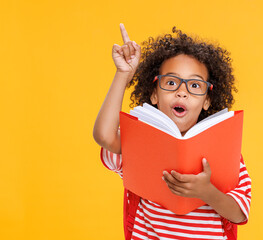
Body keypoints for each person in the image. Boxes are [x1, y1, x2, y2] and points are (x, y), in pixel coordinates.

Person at [93, 23, 251, 240]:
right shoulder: (138, 141)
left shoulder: (226, 151)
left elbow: (239, 213)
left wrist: (206, 192)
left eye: (194, 86)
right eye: (171, 82)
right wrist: (123, 74)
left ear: (207, 100)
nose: (182, 92)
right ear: (154, 95)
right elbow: (104, 136)